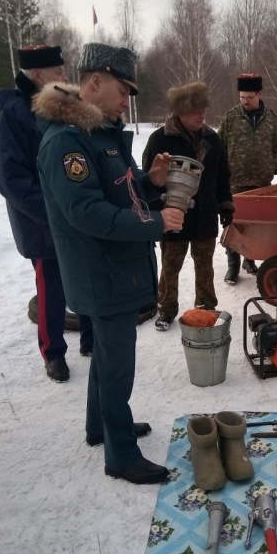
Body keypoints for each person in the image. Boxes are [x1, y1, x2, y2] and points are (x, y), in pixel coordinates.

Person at [34, 43, 184, 484]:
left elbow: (116, 187)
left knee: (105, 356)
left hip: (111, 268)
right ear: (95, 82)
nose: (126, 101)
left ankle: (100, 425)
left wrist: (148, 180)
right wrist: (156, 223)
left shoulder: (97, 132)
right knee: (117, 363)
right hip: (101, 272)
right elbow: (88, 212)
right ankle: (120, 454)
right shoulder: (67, 141)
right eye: (122, 91)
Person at [0, 44, 93, 383]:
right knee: (52, 287)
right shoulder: (12, 114)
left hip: (75, 214)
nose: (65, 76)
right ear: (36, 75)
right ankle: (53, 354)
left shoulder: (63, 106)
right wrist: (53, 214)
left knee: (86, 276)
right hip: (42, 221)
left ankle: (91, 339)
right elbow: (10, 179)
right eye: (57, 71)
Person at [141, 81, 233, 332]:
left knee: (205, 267)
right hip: (173, 216)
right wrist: (154, 212)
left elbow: (222, 176)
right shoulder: (160, 139)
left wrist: (226, 206)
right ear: (179, 112)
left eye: (203, 110)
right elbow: (148, 179)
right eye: (195, 111)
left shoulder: (212, 139)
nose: (202, 116)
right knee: (170, 267)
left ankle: (206, 310)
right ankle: (167, 310)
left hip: (205, 215)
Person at [218, 73, 277, 284]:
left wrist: (274, 166)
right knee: (233, 223)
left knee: (257, 224)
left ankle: (250, 259)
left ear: (259, 94)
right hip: (235, 182)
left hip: (261, 183)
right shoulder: (230, 118)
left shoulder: (271, 118)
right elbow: (219, 147)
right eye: (242, 97)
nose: (245, 101)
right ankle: (233, 265)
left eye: (249, 97)